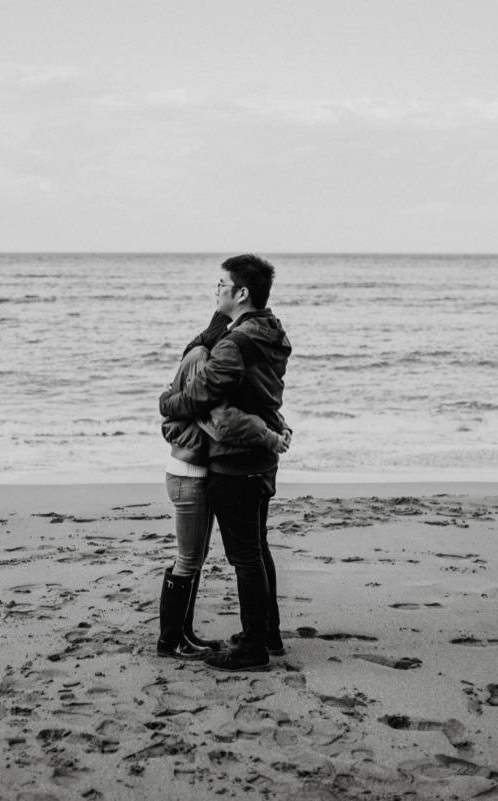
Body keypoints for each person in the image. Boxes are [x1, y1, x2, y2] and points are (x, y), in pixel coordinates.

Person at [159, 254, 292, 672]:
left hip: (237, 462)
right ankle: (267, 634)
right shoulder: (271, 332)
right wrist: (277, 432)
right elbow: (260, 399)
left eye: (221, 285)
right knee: (258, 547)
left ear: (241, 292)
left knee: (246, 557)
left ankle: (254, 647)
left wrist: (167, 403)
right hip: (263, 460)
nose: (216, 291)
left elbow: (206, 397)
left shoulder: (235, 343)